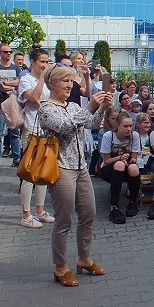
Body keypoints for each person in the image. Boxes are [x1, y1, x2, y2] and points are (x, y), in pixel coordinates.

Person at [37, 65, 111, 287]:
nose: (70, 86)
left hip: (81, 167)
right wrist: (91, 105)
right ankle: (60, 267)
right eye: (65, 81)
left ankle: (84, 258)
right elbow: (66, 127)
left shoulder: (72, 105)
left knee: (89, 213)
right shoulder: (46, 108)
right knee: (64, 220)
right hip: (61, 167)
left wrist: (102, 108)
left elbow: (90, 124)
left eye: (71, 81)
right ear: (52, 83)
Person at [16, 48, 55, 228]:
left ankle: (40, 210)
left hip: (46, 130)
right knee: (29, 172)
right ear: (32, 62)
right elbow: (33, 98)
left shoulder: (48, 80)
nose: (45, 65)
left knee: (42, 172)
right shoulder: (26, 79)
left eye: (47, 61)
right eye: (42, 62)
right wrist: (42, 78)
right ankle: (26, 214)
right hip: (31, 129)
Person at [99, 111, 141, 224]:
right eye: (125, 126)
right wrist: (120, 158)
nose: (129, 129)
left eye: (130, 126)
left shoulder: (135, 136)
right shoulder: (108, 136)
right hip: (109, 169)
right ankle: (114, 207)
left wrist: (129, 160)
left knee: (134, 168)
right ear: (117, 125)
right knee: (119, 164)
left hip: (127, 166)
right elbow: (106, 161)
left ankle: (133, 202)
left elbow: (134, 158)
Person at [0, 43, 22, 172]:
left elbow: (20, 82)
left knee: (15, 133)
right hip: (0, 103)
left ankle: (17, 158)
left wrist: (4, 83)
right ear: (0, 53)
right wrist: (11, 84)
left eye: (10, 51)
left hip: (14, 103)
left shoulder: (16, 68)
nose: (8, 53)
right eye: (5, 52)